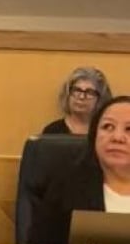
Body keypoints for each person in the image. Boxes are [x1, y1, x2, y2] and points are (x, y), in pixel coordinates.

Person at [28, 96, 130, 244]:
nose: (117, 137)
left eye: (129, 129)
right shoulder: (66, 188)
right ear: (94, 136)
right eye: (107, 127)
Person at [42, 66, 113, 135]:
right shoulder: (52, 131)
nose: (81, 97)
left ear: (100, 98)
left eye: (89, 92)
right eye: (77, 90)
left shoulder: (105, 131)